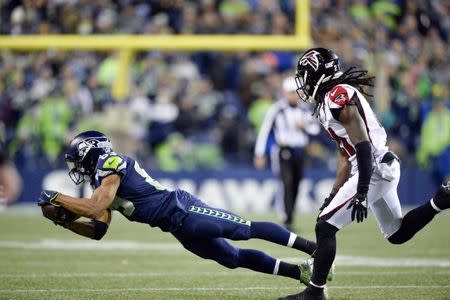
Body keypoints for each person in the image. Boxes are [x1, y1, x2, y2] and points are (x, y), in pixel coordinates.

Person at [37, 130, 332, 286]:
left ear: (91, 153)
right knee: (231, 258)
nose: (76, 168)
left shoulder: (111, 164)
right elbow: (97, 230)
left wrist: (57, 197)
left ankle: (314, 250)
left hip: (183, 209)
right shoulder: (100, 185)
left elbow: (92, 207)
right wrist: (65, 222)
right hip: (176, 227)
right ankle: (301, 273)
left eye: (77, 160)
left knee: (244, 230)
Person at [277, 48, 450, 300]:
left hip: (374, 166)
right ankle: (441, 200)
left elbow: (362, 146)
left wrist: (362, 191)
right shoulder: (330, 100)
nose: (304, 82)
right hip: (380, 165)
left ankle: (314, 294)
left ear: (319, 74)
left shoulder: (337, 97)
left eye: (307, 75)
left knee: (325, 227)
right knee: (397, 233)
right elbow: (344, 156)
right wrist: (334, 193)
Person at [254, 77, 320, 230]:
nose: (294, 96)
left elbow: (315, 129)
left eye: (296, 93)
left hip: (300, 151)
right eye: (291, 93)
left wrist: (304, 127)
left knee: (296, 184)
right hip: (283, 150)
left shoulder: (305, 109)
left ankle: (290, 216)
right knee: (286, 183)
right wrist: (260, 153)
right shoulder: (277, 109)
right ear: (284, 93)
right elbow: (264, 132)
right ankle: (286, 218)